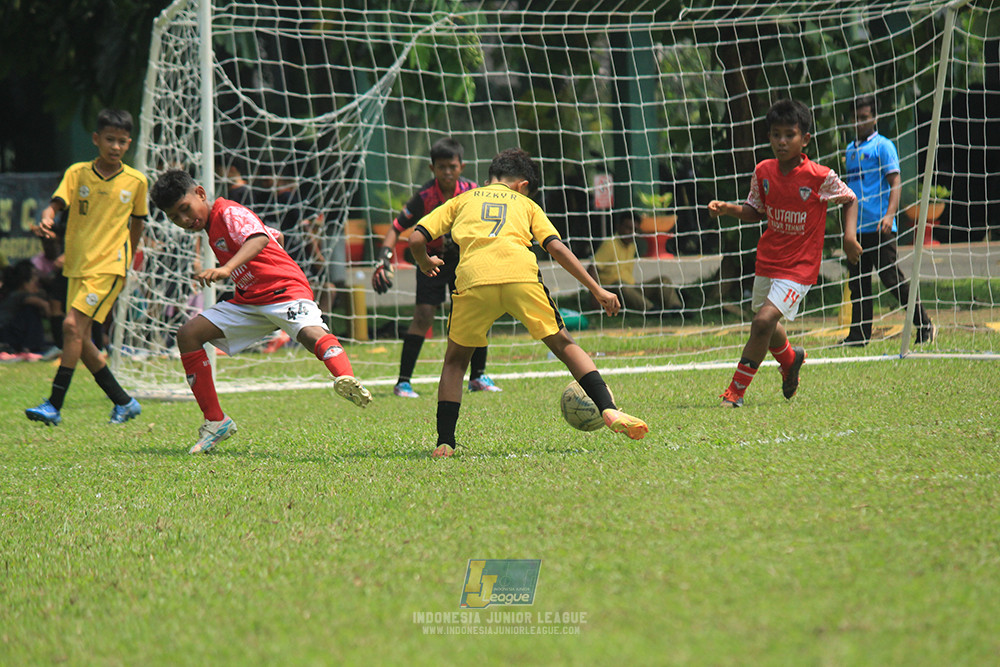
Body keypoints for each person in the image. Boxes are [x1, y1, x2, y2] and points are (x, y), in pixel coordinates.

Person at [409, 148, 649, 458]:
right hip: (520, 277)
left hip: (474, 280)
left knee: (455, 362)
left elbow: (416, 238)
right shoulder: (527, 204)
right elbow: (556, 248)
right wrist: (597, 289)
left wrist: (425, 262)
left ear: (490, 178)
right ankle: (609, 409)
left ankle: (445, 442)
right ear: (523, 185)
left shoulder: (462, 199)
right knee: (565, 345)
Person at [150, 169, 372, 454]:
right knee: (188, 335)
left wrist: (227, 268)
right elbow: (271, 235)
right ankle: (216, 421)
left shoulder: (228, 212)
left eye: (185, 208)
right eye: (174, 217)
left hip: (283, 290)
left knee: (309, 334)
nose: (183, 219)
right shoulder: (212, 226)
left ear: (201, 194)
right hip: (250, 301)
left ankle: (346, 379)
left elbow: (258, 239)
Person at [708, 99, 860, 407]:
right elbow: (756, 211)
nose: (781, 141)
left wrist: (849, 237)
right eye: (776, 134)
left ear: (805, 139)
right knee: (765, 322)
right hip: (769, 260)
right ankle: (790, 360)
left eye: (789, 135)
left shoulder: (819, 176)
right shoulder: (763, 171)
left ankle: (735, 392)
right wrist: (728, 209)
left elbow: (850, 198)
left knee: (762, 322)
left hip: (800, 267)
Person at [25, 108, 147, 426]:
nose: (115, 146)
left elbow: (137, 224)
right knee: (81, 340)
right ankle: (124, 402)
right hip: (77, 267)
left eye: (122, 141)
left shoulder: (136, 181)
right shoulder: (77, 173)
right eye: (110, 139)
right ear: (96, 139)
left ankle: (54, 404)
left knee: (70, 327)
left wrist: (128, 259)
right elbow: (54, 207)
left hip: (109, 267)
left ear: (129, 143)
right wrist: (47, 219)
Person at [371, 137, 500, 398]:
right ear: (432, 169)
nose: (447, 172)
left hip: (463, 260)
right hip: (429, 260)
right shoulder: (424, 196)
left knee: (477, 313)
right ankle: (403, 383)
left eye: (452, 166)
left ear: (462, 166)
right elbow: (396, 228)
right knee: (422, 317)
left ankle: (477, 377)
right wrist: (383, 259)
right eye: (442, 167)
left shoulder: (473, 192)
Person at [841, 95, 934, 346]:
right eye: (855, 118)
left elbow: (895, 182)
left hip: (879, 226)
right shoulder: (850, 150)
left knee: (891, 279)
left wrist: (890, 214)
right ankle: (858, 336)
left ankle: (924, 324)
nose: (859, 122)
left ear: (875, 118)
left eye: (864, 117)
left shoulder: (883, 146)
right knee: (858, 283)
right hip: (856, 229)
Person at [589, 209, 680, 313]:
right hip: (613, 290)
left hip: (631, 288)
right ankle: (651, 310)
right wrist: (596, 294)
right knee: (621, 285)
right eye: (628, 228)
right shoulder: (610, 244)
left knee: (663, 280)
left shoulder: (631, 245)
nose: (631, 233)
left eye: (635, 230)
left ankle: (676, 308)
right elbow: (592, 268)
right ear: (618, 227)